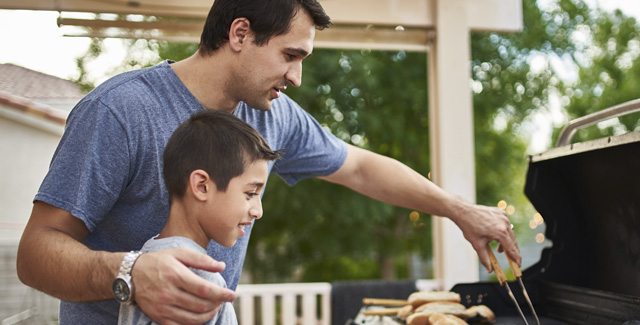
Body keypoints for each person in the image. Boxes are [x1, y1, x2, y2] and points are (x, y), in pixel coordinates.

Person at [16, 0, 521, 324]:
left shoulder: (273, 116)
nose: (296, 77)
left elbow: (361, 168)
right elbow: (35, 254)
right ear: (240, 33)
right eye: (290, 55)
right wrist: (131, 271)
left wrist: (460, 210)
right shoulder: (120, 111)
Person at [118, 109, 280, 325]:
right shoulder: (197, 280)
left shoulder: (150, 255)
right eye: (250, 193)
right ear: (201, 186)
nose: (258, 211)